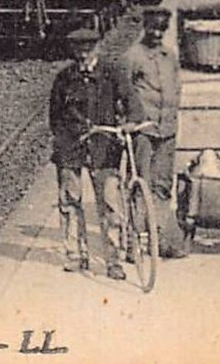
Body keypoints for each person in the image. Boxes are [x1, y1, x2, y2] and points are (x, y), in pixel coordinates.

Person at [48, 25, 147, 281]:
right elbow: (55, 116)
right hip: (71, 148)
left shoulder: (113, 74)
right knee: (70, 203)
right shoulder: (64, 78)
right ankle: (75, 255)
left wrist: (130, 122)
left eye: (87, 49)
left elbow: (134, 105)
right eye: (78, 50)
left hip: (105, 147)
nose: (83, 55)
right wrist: (66, 138)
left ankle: (113, 260)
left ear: (97, 48)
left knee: (110, 205)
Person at [120, 7, 186, 259]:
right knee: (140, 185)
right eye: (153, 28)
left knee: (162, 186)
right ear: (145, 28)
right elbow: (123, 92)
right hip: (143, 131)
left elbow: (176, 86)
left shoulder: (169, 56)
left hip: (167, 129)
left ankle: (159, 240)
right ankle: (133, 243)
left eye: (162, 29)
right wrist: (128, 121)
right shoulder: (132, 56)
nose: (157, 34)